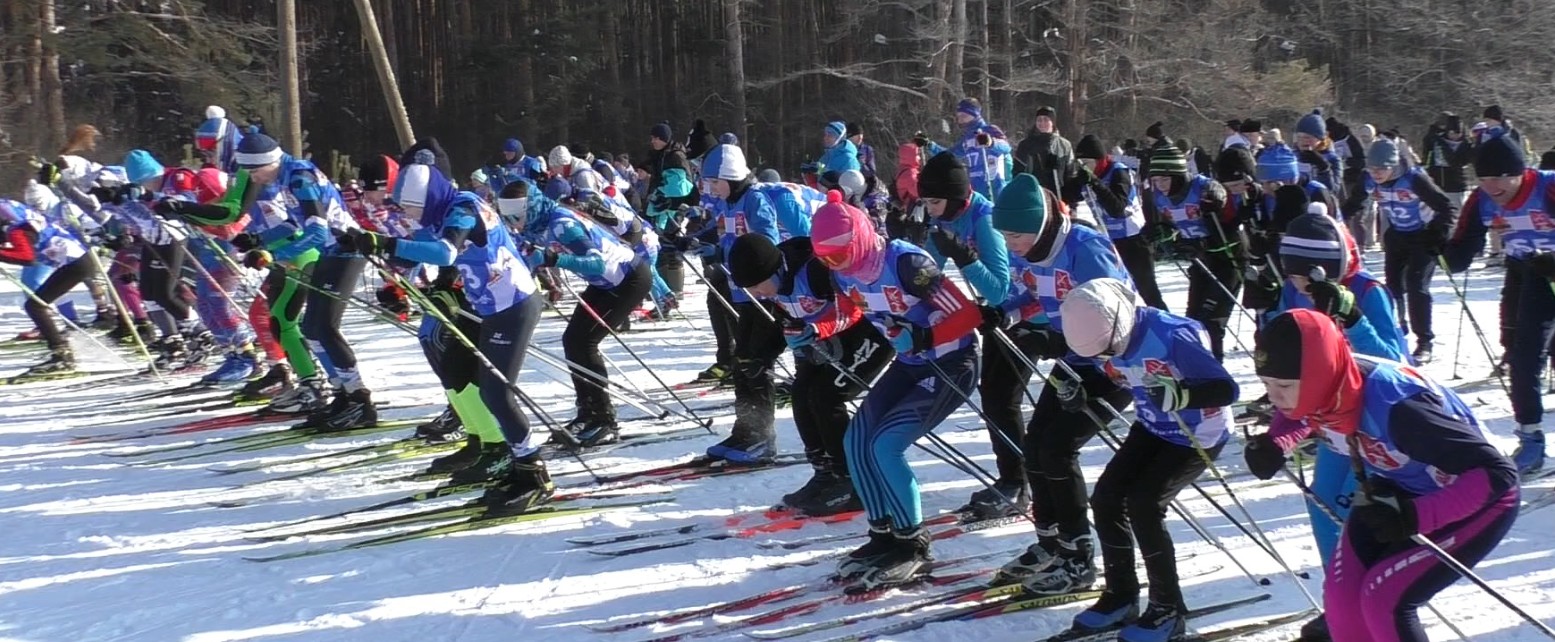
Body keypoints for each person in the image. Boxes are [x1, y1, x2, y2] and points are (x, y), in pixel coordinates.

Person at [1245, 308, 1518, 642]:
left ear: (1318, 373)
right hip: (1398, 485)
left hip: (1475, 498)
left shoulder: (1400, 408)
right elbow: (1302, 409)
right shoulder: (1326, 380)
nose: (1273, 396)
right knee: (1341, 598)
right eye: (1266, 384)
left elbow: (1498, 474)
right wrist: (1276, 441)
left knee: (1384, 599)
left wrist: (1415, 517)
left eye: (1283, 385)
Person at [810, 183, 982, 590]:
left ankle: (913, 543)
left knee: (886, 445)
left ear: (861, 239)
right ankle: (883, 535)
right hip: (909, 364)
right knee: (856, 439)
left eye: (841, 253)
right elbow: (852, 310)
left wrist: (922, 338)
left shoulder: (906, 262)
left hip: (951, 363)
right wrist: (821, 329)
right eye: (828, 257)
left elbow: (968, 315)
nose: (837, 263)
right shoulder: (844, 272)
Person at [359, 163, 552, 512]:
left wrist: (385, 243)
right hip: (489, 305)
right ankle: (494, 450)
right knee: (457, 366)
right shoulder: (444, 210)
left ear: (427, 197)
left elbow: (446, 251)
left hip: (514, 304)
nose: (408, 212)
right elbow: (422, 245)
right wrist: (365, 244)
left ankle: (532, 469)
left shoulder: (462, 210)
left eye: (411, 205)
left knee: (496, 391)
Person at [1058, 278, 1238, 641]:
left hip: (1196, 434)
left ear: (1119, 324)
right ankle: (1121, 595)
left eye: (1107, 350)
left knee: (1144, 503)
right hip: (1153, 426)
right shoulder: (1103, 337)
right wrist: (1080, 391)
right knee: (1107, 497)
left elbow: (1226, 388)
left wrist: (1183, 394)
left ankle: (1168, 609)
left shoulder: (1173, 335)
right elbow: (1107, 378)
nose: (1105, 358)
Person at [984, 174, 1137, 594]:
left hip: (1116, 364)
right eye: (1006, 235)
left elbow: (1120, 315)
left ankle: (1077, 554)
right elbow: (1030, 295)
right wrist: (1005, 314)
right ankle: (1050, 542)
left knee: (1057, 448)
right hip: (1074, 360)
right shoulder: (1030, 252)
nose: (1011, 243)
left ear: (1040, 224)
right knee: (1034, 446)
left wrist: (1055, 338)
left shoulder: (1085, 250)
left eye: (1016, 234)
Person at [159, 132, 338, 414]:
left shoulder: (266, 171)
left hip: (297, 251)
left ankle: (314, 383)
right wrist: (183, 210)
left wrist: (184, 209)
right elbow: (233, 212)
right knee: (276, 318)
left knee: (282, 319)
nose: (208, 156)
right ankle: (304, 379)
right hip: (283, 248)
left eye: (211, 149)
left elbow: (229, 212)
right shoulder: (252, 170)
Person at [726, 228, 893, 514]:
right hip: (833, 339)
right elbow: (785, 323)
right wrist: (760, 358)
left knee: (826, 395)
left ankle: (853, 480)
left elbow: (852, 309)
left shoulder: (815, 270)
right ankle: (825, 472)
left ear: (772, 269)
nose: (756, 293)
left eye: (756, 285)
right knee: (801, 392)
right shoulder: (777, 286)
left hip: (874, 332)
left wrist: (817, 328)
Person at [1444, 133, 1555, 475]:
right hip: (1530, 275)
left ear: (1521, 171)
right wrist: (1437, 247)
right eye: (1484, 178)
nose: (1493, 186)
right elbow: (1461, 253)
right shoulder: (1481, 200)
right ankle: (1531, 439)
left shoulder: (1547, 188)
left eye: (1501, 177)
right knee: (1521, 356)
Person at [915, 151, 1018, 517]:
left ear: (956, 197)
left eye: (935, 201)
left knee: (1000, 396)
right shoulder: (946, 216)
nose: (930, 209)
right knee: (994, 396)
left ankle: (1017, 481)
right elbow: (928, 270)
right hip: (996, 318)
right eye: (925, 202)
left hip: (1026, 313)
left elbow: (1000, 290)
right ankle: (1013, 476)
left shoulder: (985, 219)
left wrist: (965, 258)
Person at [695, 144, 812, 463]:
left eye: (714, 181)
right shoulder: (729, 204)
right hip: (741, 291)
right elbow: (723, 234)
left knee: (755, 361)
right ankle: (745, 430)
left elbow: (766, 246)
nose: (711, 189)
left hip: (763, 293)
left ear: (730, 177)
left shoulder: (754, 199)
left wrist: (726, 254)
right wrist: (700, 241)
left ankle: (762, 436)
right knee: (740, 359)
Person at [515, 178, 650, 446]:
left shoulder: (562, 224)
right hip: (605, 282)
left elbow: (596, 263)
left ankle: (604, 418)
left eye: (517, 213)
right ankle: (587, 412)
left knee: (584, 341)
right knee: (572, 340)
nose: (514, 220)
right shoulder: (538, 223)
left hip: (628, 278)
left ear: (531, 207)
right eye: (508, 213)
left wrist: (554, 259)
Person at [1342, 137, 1457, 362]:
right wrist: (1334, 221)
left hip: (1423, 236)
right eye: (1372, 168)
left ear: (1393, 165)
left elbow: (1447, 208)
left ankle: (1424, 342)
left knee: (1416, 286)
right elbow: (1353, 204)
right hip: (1396, 235)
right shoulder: (1367, 179)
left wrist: (1438, 234)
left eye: (1382, 168)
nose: (1377, 173)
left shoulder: (1414, 179)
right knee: (1392, 287)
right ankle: (1398, 332)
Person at [1148, 144, 1244, 362]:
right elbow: (1175, 225)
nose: (1160, 186)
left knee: (1211, 321)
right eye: (1156, 180)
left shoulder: (1203, 188)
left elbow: (1229, 222)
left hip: (1228, 259)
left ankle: (1216, 373)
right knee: (1193, 321)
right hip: (1201, 262)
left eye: (1164, 179)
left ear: (1178, 175)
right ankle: (1200, 368)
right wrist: (1165, 232)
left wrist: (1213, 213)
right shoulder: (1160, 198)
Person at [0, 196, 93, 377]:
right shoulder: (16, 212)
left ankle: (62, 356)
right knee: (36, 305)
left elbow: (27, 257)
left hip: (75, 264)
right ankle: (61, 352)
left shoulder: (17, 229)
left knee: (35, 306)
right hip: (76, 260)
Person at [1069, 134, 1162, 310]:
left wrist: (1096, 184)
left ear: (1100, 160)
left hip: (1134, 240)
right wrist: (1060, 174)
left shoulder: (1119, 172)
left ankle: (1163, 328)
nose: (1082, 167)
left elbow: (1117, 208)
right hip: (1110, 241)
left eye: (1086, 162)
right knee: (1119, 292)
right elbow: (1066, 195)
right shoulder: (1087, 176)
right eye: (1079, 162)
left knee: (1146, 292)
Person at [951, 98, 1012, 199]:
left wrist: (991, 142)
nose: (960, 120)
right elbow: (950, 154)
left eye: (964, 116)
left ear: (974, 115)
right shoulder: (966, 139)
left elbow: (1006, 147)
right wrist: (930, 145)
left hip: (995, 187)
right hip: (976, 190)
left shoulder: (990, 129)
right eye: (958, 116)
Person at [1013, 105, 1075, 195]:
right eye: (1039, 120)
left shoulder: (1064, 145)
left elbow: (1070, 173)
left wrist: (1070, 199)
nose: (1042, 123)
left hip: (1058, 195)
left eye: (1046, 119)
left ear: (1052, 122)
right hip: (1034, 195)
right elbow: (1017, 173)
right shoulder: (1025, 145)